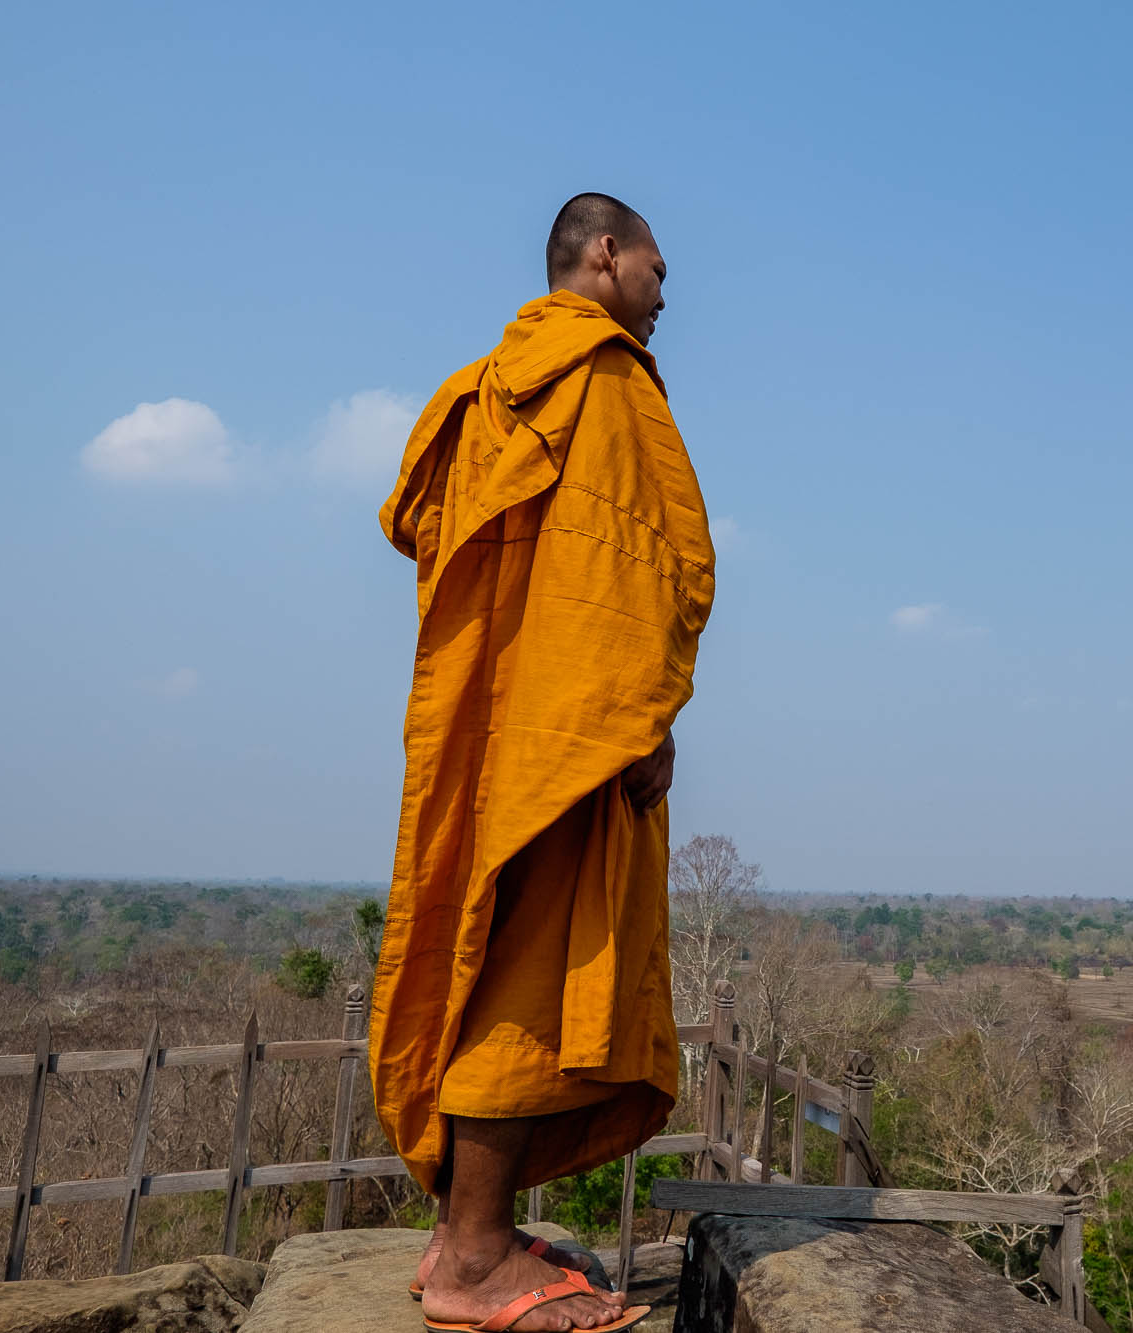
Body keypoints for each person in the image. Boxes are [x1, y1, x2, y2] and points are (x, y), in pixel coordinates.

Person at [368, 192, 715, 1332]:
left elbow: (430, 534)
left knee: (481, 950)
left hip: (493, 724)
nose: (668, 292)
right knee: (523, 974)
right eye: (657, 267)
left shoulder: (484, 387)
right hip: (574, 734)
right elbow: (630, 577)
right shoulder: (602, 379)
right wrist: (640, 724)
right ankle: (474, 1262)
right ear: (604, 255)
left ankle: (467, 1233)